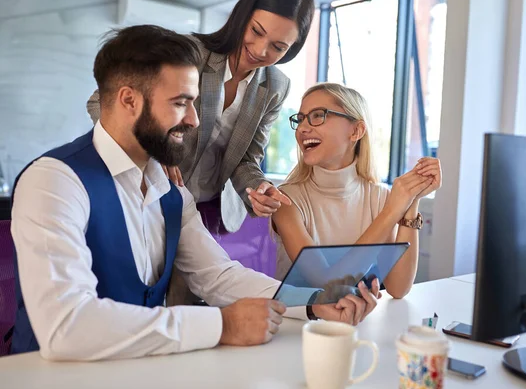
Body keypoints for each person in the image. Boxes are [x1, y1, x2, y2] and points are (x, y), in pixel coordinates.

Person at [9, 26, 379, 361]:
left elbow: (218, 276)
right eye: (180, 102)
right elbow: (67, 327)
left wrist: (315, 302)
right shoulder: (54, 181)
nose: (195, 120)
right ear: (128, 100)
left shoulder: (170, 191)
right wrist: (221, 326)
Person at [87, 0, 315, 235]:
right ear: (242, 17)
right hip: (149, 194)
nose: (261, 51)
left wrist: (259, 187)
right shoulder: (189, 52)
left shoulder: (275, 87)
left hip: (208, 211)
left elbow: (247, 158)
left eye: (278, 47)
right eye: (256, 31)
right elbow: (101, 102)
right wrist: (155, 150)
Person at [272, 83, 443, 299]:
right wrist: (391, 212)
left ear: (356, 131)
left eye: (317, 116)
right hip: (295, 327)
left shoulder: (379, 197)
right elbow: (329, 285)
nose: (303, 128)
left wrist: (412, 200)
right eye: (301, 119)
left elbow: (398, 288)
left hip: (355, 325)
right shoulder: (286, 200)